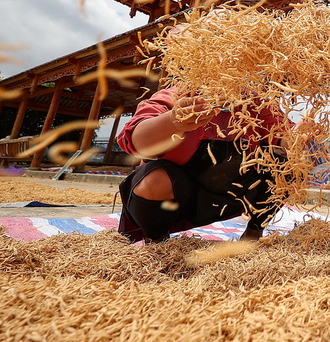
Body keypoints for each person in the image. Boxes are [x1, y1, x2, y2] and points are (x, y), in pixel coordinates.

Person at [115, 85, 285, 243]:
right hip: (183, 197)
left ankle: (253, 233)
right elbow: (135, 141)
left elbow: (283, 138)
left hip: (235, 194)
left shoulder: (256, 102)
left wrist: (300, 137)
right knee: (155, 178)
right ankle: (157, 240)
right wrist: (173, 121)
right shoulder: (178, 96)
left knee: (291, 164)